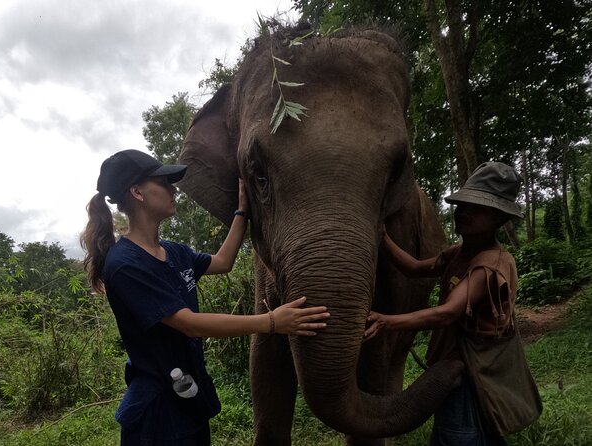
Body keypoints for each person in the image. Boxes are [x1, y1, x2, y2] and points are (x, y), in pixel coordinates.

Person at [80, 149, 329, 446]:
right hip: (157, 412)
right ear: (137, 192)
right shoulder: (125, 264)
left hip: (188, 395)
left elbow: (223, 262)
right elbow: (190, 324)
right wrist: (273, 321)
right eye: (163, 183)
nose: (173, 190)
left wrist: (242, 212)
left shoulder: (174, 252)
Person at [364, 162, 529, 445]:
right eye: (463, 205)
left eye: (477, 209)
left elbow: (448, 312)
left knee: (459, 433)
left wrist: (386, 321)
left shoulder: (489, 264)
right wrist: (383, 237)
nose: (464, 213)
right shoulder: (460, 253)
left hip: (469, 371)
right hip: (453, 365)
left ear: (499, 219)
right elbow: (415, 268)